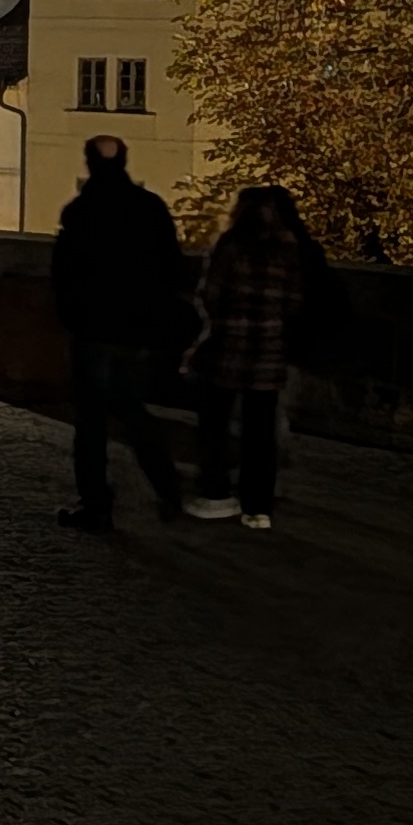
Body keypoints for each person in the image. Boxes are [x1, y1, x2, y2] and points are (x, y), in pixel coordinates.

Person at [50, 132, 188, 529]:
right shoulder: (150, 207)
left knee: (91, 421)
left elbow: (64, 274)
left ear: (89, 163)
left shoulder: (81, 210)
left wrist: (71, 318)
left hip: (93, 331)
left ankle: (96, 505)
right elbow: (173, 269)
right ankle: (168, 487)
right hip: (138, 331)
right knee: (133, 412)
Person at [185, 183, 324, 530]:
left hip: (228, 347)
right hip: (269, 350)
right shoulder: (289, 250)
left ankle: (216, 493)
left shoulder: (230, 246)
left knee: (215, 425)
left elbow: (210, 294)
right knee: (259, 432)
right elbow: (294, 301)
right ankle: (258, 506)